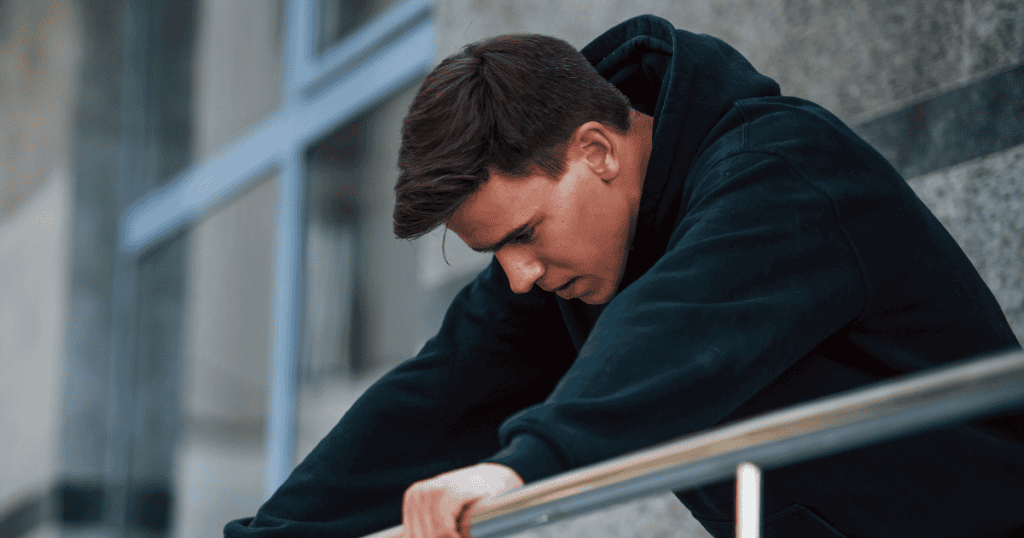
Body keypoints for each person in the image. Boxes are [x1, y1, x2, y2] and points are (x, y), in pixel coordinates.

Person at [225, 15, 1024, 538]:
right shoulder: (580, 259)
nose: (522, 275)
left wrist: (517, 467)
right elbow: (437, 393)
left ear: (597, 152)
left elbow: (677, 330)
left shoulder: (781, 172)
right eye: (494, 253)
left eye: (525, 234)